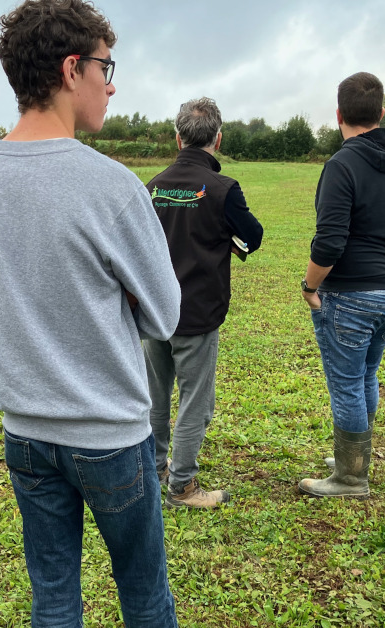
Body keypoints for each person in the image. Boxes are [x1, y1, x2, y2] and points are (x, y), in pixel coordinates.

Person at [0, 2, 240, 628]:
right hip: (110, 434)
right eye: (105, 68)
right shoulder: (109, 184)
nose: (111, 87)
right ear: (69, 69)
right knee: (140, 577)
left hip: (24, 428)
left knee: (54, 592)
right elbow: (164, 311)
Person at [299, 72, 385, 498]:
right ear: (381, 112)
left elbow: (330, 241)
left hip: (352, 295)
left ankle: (351, 477)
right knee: (366, 375)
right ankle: (352, 457)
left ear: (338, 114)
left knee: (346, 383)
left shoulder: (341, 164)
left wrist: (308, 285)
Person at [144, 98, 263, 508]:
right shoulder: (223, 189)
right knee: (196, 401)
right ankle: (182, 486)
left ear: (178, 138)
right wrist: (227, 241)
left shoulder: (152, 186)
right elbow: (253, 236)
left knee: (156, 397)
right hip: (196, 315)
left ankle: (155, 468)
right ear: (218, 138)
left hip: (153, 313)